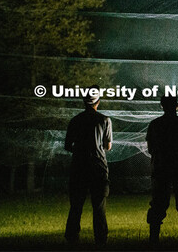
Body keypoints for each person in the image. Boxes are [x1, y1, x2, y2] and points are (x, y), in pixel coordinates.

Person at [146, 96, 178, 245]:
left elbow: (151, 149)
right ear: (177, 106)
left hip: (161, 168)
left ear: (162, 106)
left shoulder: (155, 124)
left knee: (158, 203)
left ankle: (153, 239)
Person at [64, 86, 112, 247]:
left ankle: (72, 237)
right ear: (98, 102)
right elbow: (108, 146)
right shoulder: (105, 120)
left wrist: (79, 149)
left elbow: (67, 145)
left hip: (79, 167)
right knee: (99, 207)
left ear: (83, 102)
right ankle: (101, 239)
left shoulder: (75, 120)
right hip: (98, 168)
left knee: (76, 205)